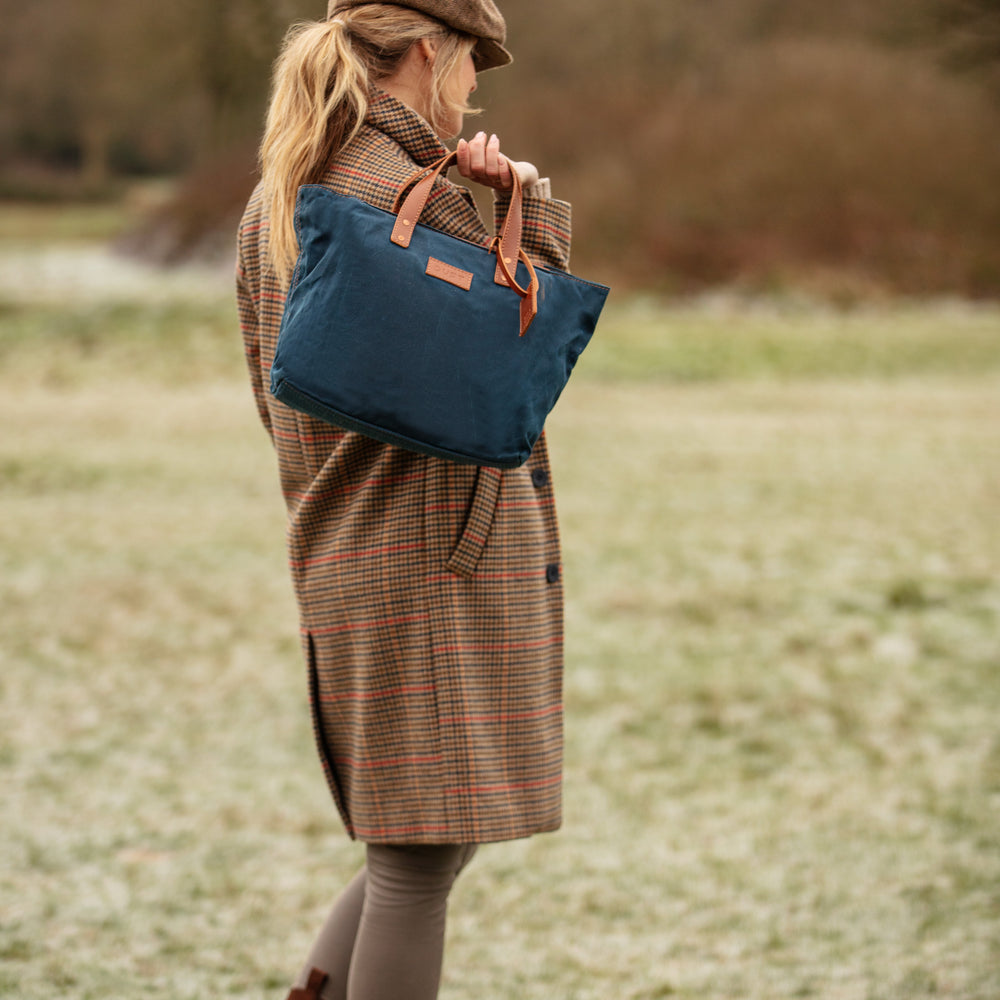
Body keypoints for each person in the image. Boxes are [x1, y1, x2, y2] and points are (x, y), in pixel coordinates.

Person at [235, 2, 574, 998]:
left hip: (350, 540)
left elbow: (277, 388)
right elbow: (524, 362)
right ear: (428, 50)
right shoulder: (416, 194)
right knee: (415, 860)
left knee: (422, 844)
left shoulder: (282, 187)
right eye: (471, 62)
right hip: (434, 560)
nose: (472, 88)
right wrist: (525, 207)